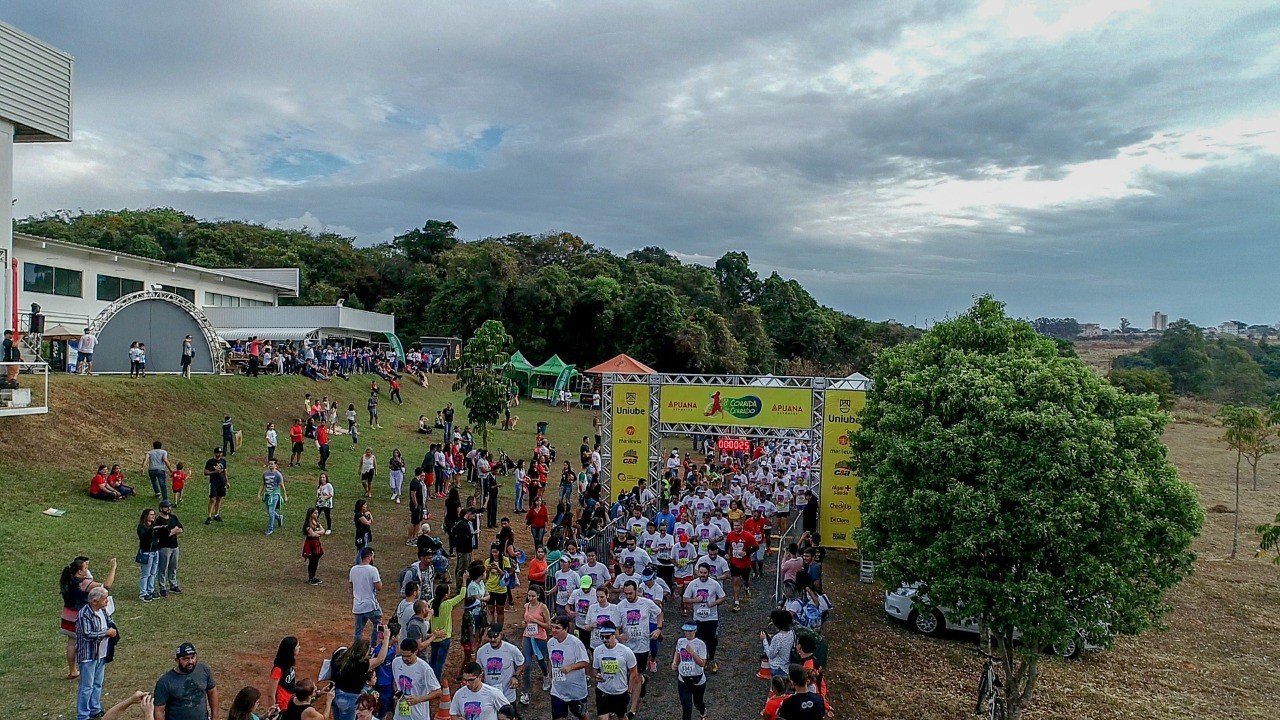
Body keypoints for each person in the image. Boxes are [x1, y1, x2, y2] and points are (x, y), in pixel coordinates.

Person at [75, 586, 117, 720]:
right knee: (86, 686)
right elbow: (87, 634)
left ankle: (95, 709)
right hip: (88, 655)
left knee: (98, 683)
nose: (107, 601)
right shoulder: (84, 614)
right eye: (104, 599)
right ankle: (83, 715)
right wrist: (106, 633)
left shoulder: (102, 611)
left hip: (101, 653)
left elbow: (108, 622)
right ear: (94, 601)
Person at [154, 643, 218, 720]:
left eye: (193, 657)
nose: (190, 661)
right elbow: (158, 711)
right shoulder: (165, 682)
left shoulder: (203, 670)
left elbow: (212, 692)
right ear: (177, 660)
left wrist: (215, 717)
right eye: (186, 659)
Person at [681, 564, 725, 674]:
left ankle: (712, 659)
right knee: (699, 640)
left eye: (705, 573)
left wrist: (714, 603)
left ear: (708, 573)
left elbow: (723, 597)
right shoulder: (693, 584)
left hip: (711, 617)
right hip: (698, 618)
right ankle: (702, 661)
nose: (702, 575)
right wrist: (695, 600)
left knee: (712, 640)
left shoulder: (714, 584)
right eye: (701, 572)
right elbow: (685, 599)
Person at [591, 622, 639, 720]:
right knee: (602, 717)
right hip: (603, 690)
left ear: (614, 636)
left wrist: (629, 690)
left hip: (620, 691)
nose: (605, 640)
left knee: (621, 716)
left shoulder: (626, 651)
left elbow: (634, 672)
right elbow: (595, 669)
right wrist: (597, 676)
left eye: (607, 637)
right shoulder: (598, 650)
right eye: (602, 637)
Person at [547, 615, 590, 720]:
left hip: (576, 690)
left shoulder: (575, 643)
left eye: (557, 628)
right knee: (557, 717)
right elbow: (550, 660)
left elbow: (585, 662)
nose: (554, 630)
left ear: (566, 629)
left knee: (582, 715)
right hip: (558, 689)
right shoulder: (550, 643)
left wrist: (570, 667)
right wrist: (550, 674)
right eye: (552, 627)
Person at [391, 637, 442, 720]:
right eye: (402, 655)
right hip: (400, 714)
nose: (404, 659)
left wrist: (418, 699)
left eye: (408, 656)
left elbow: (438, 692)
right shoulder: (396, 662)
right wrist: (397, 691)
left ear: (415, 652)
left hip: (418, 715)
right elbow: (395, 680)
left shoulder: (424, 669)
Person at [476, 626, 525, 709]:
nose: (492, 640)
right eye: (490, 636)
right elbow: (478, 669)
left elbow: (521, 664)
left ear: (501, 635)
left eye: (495, 636)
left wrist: (515, 676)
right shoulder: (481, 651)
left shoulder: (511, 649)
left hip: (507, 695)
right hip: (489, 694)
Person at [518, 586, 552, 703]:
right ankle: (526, 692)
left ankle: (546, 676)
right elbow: (525, 620)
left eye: (533, 596)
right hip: (527, 636)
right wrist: (524, 623)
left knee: (541, 660)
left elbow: (548, 625)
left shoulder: (543, 607)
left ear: (538, 595)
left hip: (539, 638)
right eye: (529, 596)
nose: (531, 598)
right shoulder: (526, 606)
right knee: (526, 663)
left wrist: (536, 621)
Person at [429, 584, 468, 682]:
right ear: (446, 595)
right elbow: (462, 595)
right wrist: (463, 581)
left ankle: (429, 679)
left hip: (434, 637)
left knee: (432, 660)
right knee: (439, 662)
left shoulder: (431, 603)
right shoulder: (447, 604)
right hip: (444, 637)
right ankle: (436, 682)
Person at [671, 622, 708, 720]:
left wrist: (692, 652)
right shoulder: (680, 641)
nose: (688, 633)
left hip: (698, 679)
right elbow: (677, 652)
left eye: (690, 631)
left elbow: (702, 663)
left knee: (698, 702)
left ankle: (702, 711)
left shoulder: (700, 644)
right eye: (686, 631)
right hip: (683, 678)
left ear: (695, 631)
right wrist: (674, 662)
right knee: (686, 706)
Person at [350, 546, 383, 644]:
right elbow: (379, 587)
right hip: (370, 605)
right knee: (378, 624)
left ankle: (356, 649)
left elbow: (352, 584)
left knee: (358, 631)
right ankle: (373, 645)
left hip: (357, 605)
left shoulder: (353, 569)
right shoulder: (373, 570)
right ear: (369, 556)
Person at [725, 518, 759, 611]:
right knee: (736, 581)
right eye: (734, 525)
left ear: (741, 526)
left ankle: (747, 587)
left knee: (745, 580)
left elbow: (756, 547)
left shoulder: (748, 536)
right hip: (734, 562)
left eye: (738, 525)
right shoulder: (730, 535)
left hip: (745, 564)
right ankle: (736, 602)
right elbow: (727, 544)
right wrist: (726, 553)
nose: (736, 527)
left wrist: (747, 553)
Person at [155, 500, 183, 596]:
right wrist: (174, 530)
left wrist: (172, 531)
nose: (169, 508)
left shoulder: (173, 517)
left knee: (173, 566)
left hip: (175, 546)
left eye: (170, 507)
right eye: (167, 507)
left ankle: (173, 584)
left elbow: (181, 528)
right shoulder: (158, 521)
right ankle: (162, 587)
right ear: (161, 508)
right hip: (164, 547)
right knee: (163, 567)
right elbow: (165, 535)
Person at [136, 508, 162, 602]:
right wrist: (152, 530)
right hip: (147, 552)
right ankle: (143, 593)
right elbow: (144, 538)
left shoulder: (154, 526)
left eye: (154, 514)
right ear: (146, 516)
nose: (153, 516)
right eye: (151, 514)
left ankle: (150, 590)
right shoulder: (141, 527)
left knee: (153, 573)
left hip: (155, 551)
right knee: (145, 574)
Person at [762, 610, 796, 678]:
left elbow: (770, 655)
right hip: (787, 666)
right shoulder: (792, 632)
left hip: (777, 668)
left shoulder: (777, 638)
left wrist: (764, 640)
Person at [259, 459, 288, 536]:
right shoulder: (265, 473)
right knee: (269, 511)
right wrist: (259, 494)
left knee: (271, 511)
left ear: (276, 465)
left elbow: (282, 485)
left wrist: (285, 495)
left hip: (275, 494)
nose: (270, 465)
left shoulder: (278, 474)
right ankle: (279, 517)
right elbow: (263, 484)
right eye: (269, 464)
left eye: (272, 464)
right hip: (267, 494)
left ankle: (270, 529)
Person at [270, 636, 300, 710]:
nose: (299, 647)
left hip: (291, 702)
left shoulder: (289, 663)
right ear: (291, 650)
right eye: (297, 646)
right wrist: (273, 710)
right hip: (282, 706)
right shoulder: (278, 669)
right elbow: (271, 693)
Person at [203, 447, 228, 526]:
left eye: (220, 453)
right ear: (215, 453)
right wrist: (215, 471)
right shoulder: (210, 462)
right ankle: (209, 516)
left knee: (219, 498)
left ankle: (216, 514)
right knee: (212, 499)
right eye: (218, 453)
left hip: (222, 482)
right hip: (214, 482)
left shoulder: (223, 461)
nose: (219, 454)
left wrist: (227, 481)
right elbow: (205, 472)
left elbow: (225, 472)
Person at [304, 507, 326, 585]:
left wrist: (317, 532)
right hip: (311, 544)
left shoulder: (316, 522)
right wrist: (317, 533)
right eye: (315, 513)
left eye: (317, 513)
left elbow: (323, 531)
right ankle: (310, 578)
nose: (317, 514)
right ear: (311, 514)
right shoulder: (307, 523)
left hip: (316, 542)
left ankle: (313, 577)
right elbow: (312, 534)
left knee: (316, 560)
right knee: (312, 560)